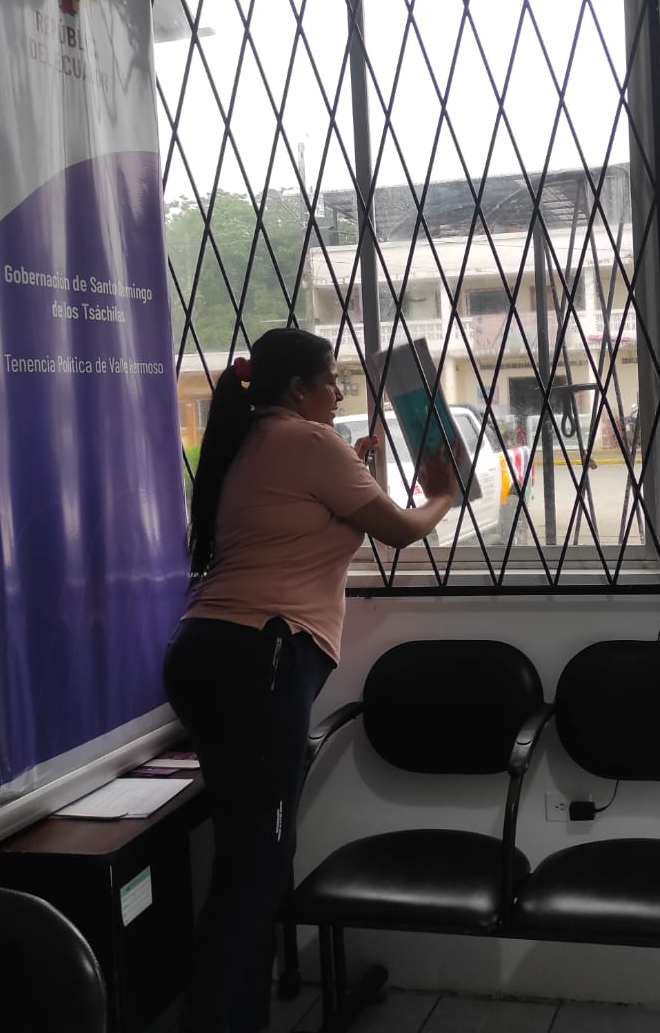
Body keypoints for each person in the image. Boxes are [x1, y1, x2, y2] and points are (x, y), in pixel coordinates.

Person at [162, 327, 457, 1033]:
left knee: (244, 858)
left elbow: (305, 520)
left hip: (207, 651)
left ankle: (222, 1015)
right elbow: (401, 530)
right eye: (332, 381)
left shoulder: (255, 438)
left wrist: (357, 467)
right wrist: (445, 493)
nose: (338, 392)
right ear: (298, 388)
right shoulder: (308, 442)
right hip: (257, 661)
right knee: (257, 867)